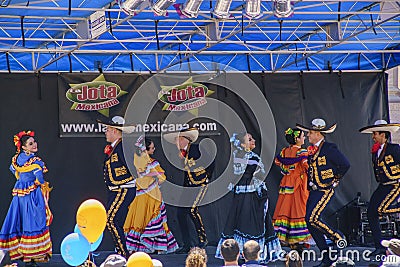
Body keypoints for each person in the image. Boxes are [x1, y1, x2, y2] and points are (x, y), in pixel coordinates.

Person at [215, 132, 283, 263]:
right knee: (249, 224)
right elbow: (258, 174)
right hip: (249, 197)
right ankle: (250, 254)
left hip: (245, 196)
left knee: (244, 223)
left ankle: (245, 253)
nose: (253, 141)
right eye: (249, 139)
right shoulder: (250, 157)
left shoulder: (239, 156)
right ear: (242, 144)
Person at [296, 118, 350, 267]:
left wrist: (335, 179)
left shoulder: (329, 148)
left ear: (318, 134)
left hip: (324, 189)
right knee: (309, 221)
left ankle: (337, 236)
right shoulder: (312, 149)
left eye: (310, 133)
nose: (307, 136)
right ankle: (326, 255)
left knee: (312, 218)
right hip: (314, 190)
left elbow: (345, 164)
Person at [0, 130, 52, 266]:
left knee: (20, 220)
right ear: (24, 147)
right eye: (30, 143)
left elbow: (12, 168)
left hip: (19, 195)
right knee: (33, 222)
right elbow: (40, 178)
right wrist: (37, 183)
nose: (34, 145)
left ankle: (24, 256)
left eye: (34, 142)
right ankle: (31, 257)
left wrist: (21, 180)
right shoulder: (35, 161)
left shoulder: (17, 158)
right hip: (31, 195)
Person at [163, 128, 215, 254]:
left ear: (183, 139)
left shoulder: (196, 148)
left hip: (199, 184)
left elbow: (210, 162)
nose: (176, 142)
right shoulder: (182, 153)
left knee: (192, 209)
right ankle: (186, 244)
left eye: (178, 139)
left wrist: (205, 177)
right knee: (180, 213)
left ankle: (203, 238)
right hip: (188, 186)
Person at [124, 135, 178, 254]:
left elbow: (140, 174)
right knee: (154, 218)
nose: (154, 150)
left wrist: (146, 174)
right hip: (152, 195)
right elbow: (162, 177)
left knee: (139, 220)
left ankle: (136, 247)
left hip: (141, 195)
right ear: (146, 149)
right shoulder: (151, 162)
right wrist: (153, 174)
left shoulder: (136, 160)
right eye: (152, 148)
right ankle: (157, 247)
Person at [359, 120, 400, 256]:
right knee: (371, 212)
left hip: (395, 184)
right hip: (383, 185)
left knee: (381, 209)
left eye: (375, 134)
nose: (373, 137)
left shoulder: (394, 149)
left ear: (383, 135)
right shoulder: (376, 152)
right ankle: (380, 246)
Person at [98, 116, 137, 259]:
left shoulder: (123, 146)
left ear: (115, 131)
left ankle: (123, 253)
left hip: (124, 189)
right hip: (116, 190)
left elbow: (132, 168)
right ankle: (121, 251)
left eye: (107, 130)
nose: (105, 133)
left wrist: (126, 181)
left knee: (111, 220)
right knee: (116, 222)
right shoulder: (115, 147)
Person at [273, 127, 312, 251]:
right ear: (297, 139)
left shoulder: (284, 151)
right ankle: (299, 240)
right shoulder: (301, 152)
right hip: (298, 184)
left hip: (286, 183)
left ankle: (285, 238)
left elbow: (278, 161)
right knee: (299, 210)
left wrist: (287, 170)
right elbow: (307, 166)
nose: (304, 137)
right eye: (302, 136)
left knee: (285, 209)